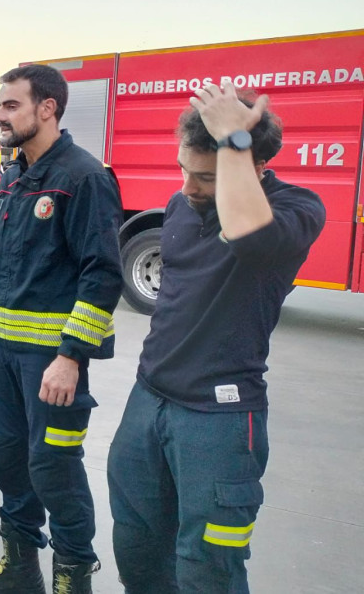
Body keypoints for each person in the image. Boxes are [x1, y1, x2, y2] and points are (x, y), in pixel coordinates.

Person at [108, 80, 325, 592]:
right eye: (185, 169)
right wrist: (217, 156)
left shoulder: (297, 208)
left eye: (204, 177)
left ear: (254, 164)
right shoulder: (182, 207)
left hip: (220, 417)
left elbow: (251, 237)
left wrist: (235, 140)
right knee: (136, 546)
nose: (187, 187)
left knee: (208, 565)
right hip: (149, 400)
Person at [0, 65, 123, 593]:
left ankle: (73, 580)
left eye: (10, 106)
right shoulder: (14, 175)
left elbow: (103, 274)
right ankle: (20, 571)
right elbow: (4, 263)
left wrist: (72, 356)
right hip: (4, 355)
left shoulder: (83, 177)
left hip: (52, 364)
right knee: (9, 461)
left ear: (46, 108)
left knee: (54, 468)